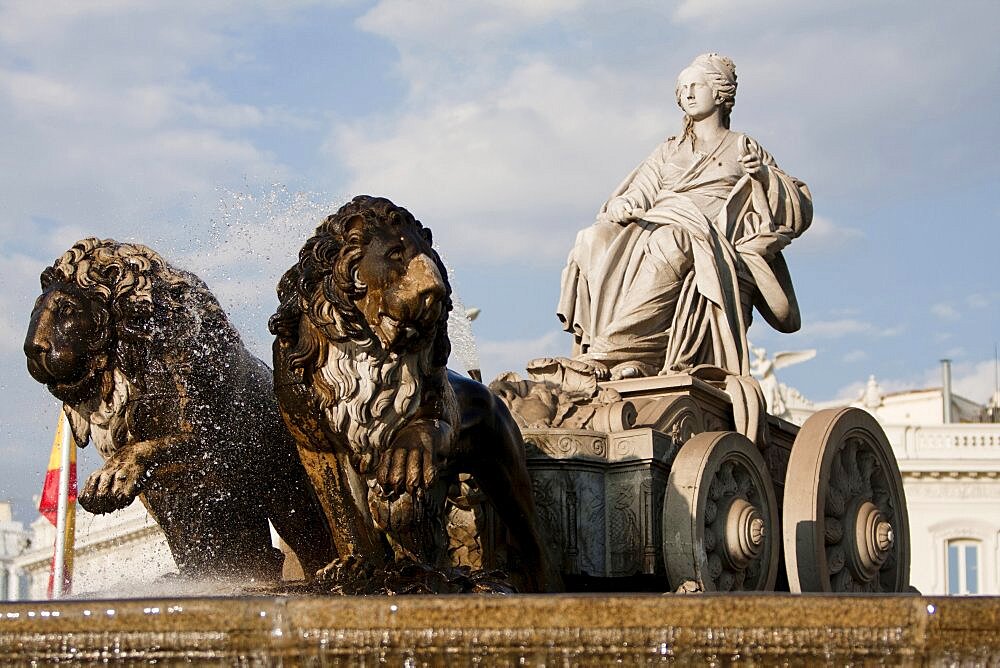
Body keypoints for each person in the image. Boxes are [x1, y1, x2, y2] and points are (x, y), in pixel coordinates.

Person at [557, 53, 812, 386]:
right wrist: (623, 205)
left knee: (669, 240)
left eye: (697, 85)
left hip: (712, 242)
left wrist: (763, 176)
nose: (688, 94)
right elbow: (640, 192)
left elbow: (796, 207)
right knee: (593, 238)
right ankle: (634, 356)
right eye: (683, 88)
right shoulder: (667, 150)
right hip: (659, 224)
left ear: (721, 93)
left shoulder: (742, 146)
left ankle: (611, 352)